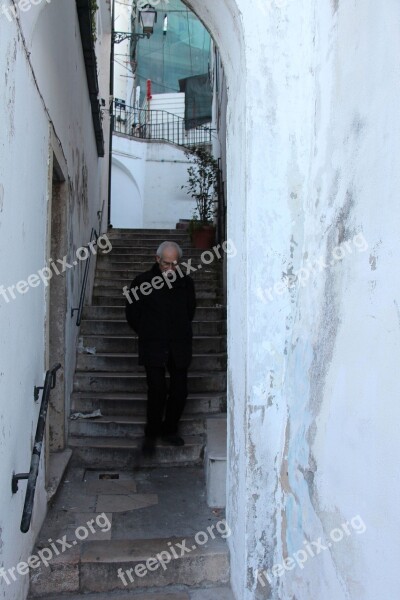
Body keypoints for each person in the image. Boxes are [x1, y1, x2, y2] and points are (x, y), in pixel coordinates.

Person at [124, 241, 196, 455]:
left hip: (179, 346)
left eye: (175, 264)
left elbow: (189, 310)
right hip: (153, 345)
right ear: (157, 260)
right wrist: (148, 331)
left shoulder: (186, 283)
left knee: (180, 391)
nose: (171, 269)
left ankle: (170, 429)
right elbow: (132, 313)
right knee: (156, 390)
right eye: (166, 264)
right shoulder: (141, 282)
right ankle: (152, 433)